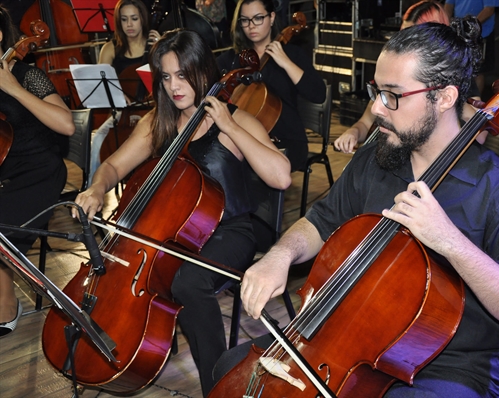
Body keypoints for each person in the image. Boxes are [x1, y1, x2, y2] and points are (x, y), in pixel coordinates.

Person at [219, 21, 499, 397]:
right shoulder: (377, 159)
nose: (377, 108)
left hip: (449, 370)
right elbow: (320, 220)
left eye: (393, 95)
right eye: (376, 91)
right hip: (353, 335)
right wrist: (280, 255)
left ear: (443, 97)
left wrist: (450, 242)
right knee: (230, 368)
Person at [73, 29, 291, 395]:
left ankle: (218, 385)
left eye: (183, 75)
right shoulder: (157, 122)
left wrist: (230, 126)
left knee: (188, 282)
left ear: (203, 71)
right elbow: (112, 166)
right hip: (171, 234)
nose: (175, 86)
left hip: (228, 232)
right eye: (166, 76)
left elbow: (281, 176)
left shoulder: (232, 120)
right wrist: (96, 188)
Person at [0, 4, 75, 337]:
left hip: (39, 170)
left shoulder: (27, 75)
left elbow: (66, 125)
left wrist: (13, 90)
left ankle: (6, 306)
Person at [334, 0, 483, 154]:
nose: (404, 41)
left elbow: (481, 136)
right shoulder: (392, 79)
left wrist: (450, 101)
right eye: (402, 32)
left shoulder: (458, 78)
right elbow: (365, 123)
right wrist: (354, 131)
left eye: (412, 34)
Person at [217, 0, 326, 172]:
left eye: (258, 18)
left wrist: (285, 62)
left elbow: (318, 94)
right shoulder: (234, 59)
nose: (251, 26)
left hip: (287, 139)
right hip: (243, 138)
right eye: (245, 20)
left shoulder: (292, 54)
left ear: (272, 17)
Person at [91, 0, 161, 186]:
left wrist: (162, 47)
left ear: (143, 20)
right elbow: (101, 83)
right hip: (121, 113)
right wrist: (116, 95)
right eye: (124, 19)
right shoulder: (111, 48)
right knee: (97, 140)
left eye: (134, 18)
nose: (129, 24)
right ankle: (92, 190)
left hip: (154, 112)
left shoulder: (155, 44)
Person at [445, 0, 499, 95]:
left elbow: (489, 10)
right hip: (458, 33)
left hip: (481, 34)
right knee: (457, 68)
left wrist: (469, 27)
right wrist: (446, 24)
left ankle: (475, 104)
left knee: (478, 71)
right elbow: (448, 6)